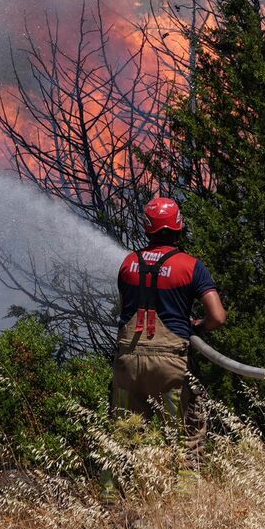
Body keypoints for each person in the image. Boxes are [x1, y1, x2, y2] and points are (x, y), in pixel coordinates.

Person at [111, 194, 226, 465]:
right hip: (170, 365)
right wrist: (198, 325)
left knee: (124, 438)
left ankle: (115, 487)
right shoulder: (191, 266)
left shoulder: (128, 263)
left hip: (128, 362)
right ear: (179, 226)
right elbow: (218, 317)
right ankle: (186, 487)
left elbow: (126, 308)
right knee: (188, 435)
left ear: (146, 227)